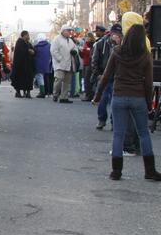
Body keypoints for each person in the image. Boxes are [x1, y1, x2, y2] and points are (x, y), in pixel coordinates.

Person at [93, 18, 161, 181]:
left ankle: (116, 171)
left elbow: (107, 76)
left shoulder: (117, 51)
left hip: (119, 96)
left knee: (118, 134)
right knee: (144, 133)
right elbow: (148, 82)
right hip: (138, 97)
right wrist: (148, 103)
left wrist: (97, 96)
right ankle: (150, 170)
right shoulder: (145, 56)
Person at [93, 24, 122, 130]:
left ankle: (114, 122)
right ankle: (101, 119)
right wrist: (98, 74)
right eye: (115, 33)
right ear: (111, 33)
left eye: (119, 34)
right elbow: (95, 60)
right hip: (104, 75)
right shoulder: (101, 44)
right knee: (103, 98)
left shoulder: (122, 45)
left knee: (115, 101)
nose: (117, 36)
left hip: (117, 77)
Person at [50, 27, 77, 103]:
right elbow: (53, 50)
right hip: (59, 64)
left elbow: (75, 48)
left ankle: (64, 97)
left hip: (68, 64)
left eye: (70, 31)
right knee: (59, 79)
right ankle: (55, 94)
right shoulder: (57, 39)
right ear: (63, 31)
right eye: (68, 31)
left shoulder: (70, 40)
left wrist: (75, 51)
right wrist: (60, 59)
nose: (69, 32)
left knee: (66, 81)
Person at [11, 31, 36, 98]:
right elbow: (21, 51)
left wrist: (33, 51)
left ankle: (28, 93)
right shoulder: (19, 42)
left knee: (29, 79)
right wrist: (28, 51)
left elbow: (33, 50)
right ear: (24, 35)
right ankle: (18, 92)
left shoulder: (28, 43)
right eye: (27, 35)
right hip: (20, 66)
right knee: (19, 79)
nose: (28, 37)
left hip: (28, 66)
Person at [33, 33, 53, 97]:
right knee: (47, 78)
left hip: (38, 65)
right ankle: (48, 92)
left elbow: (33, 55)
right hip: (47, 64)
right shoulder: (49, 45)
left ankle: (42, 92)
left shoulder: (36, 47)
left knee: (40, 78)